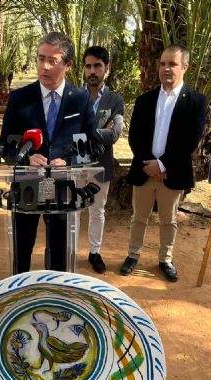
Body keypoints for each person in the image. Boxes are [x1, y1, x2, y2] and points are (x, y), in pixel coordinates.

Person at [0, 32, 101, 273]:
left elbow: (93, 146)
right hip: (27, 184)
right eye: (40, 58)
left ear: (68, 64)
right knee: (22, 246)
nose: (44, 66)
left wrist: (70, 161)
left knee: (59, 250)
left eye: (52, 60)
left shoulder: (81, 100)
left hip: (63, 186)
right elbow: (4, 145)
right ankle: (20, 292)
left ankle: (57, 296)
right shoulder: (20, 98)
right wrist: (25, 158)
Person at [121, 45, 206, 282]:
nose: (166, 68)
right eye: (163, 63)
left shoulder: (196, 102)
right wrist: (150, 164)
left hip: (172, 173)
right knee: (139, 217)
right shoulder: (144, 100)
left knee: (169, 220)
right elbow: (134, 136)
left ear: (184, 68)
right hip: (144, 171)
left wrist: (162, 165)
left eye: (172, 64)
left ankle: (165, 259)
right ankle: (132, 255)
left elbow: (191, 140)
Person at [82, 46, 125, 274]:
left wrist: (85, 131)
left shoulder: (115, 100)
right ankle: (68, 251)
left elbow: (115, 134)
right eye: (88, 66)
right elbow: (67, 130)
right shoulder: (73, 97)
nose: (92, 71)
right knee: (70, 209)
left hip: (100, 166)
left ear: (106, 68)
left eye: (97, 66)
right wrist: (99, 130)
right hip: (74, 166)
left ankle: (94, 252)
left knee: (96, 211)